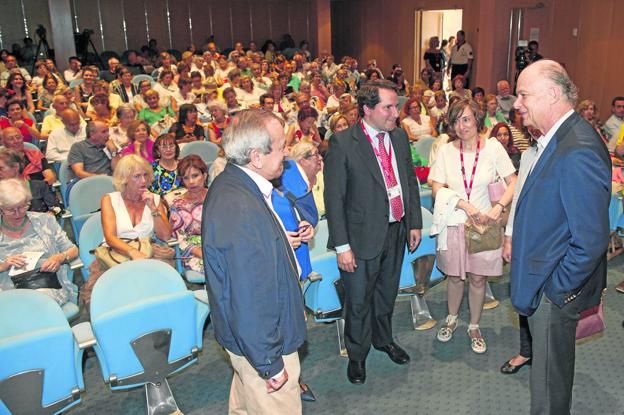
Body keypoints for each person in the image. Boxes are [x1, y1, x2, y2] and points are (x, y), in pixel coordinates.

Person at [511, 60, 610, 415]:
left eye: (524, 94)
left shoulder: (576, 148)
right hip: (544, 281)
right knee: (547, 379)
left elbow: (591, 239)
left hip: (553, 291)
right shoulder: (561, 138)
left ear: (552, 94)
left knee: (550, 390)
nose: (517, 104)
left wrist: (558, 290)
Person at [202, 109, 306, 414]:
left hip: (251, 343)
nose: (286, 152)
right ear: (257, 156)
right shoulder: (240, 206)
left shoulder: (235, 185)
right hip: (263, 345)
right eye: (280, 146)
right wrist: (269, 363)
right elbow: (249, 296)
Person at [324, 80, 422, 384]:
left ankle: (384, 340)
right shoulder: (342, 143)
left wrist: (414, 222)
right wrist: (342, 246)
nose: (396, 112)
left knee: (386, 294)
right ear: (367, 110)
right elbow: (334, 199)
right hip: (360, 237)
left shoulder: (399, 137)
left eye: (396, 105)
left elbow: (408, 180)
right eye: (388, 107)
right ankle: (357, 355)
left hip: (395, 231)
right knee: (358, 300)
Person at [430, 99, 516, 354]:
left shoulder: (492, 148)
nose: (461, 126)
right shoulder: (446, 150)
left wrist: (498, 207)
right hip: (455, 222)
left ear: (477, 119)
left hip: (485, 225)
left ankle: (474, 325)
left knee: (478, 279)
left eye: (466, 119)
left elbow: (513, 181)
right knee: (455, 277)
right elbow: (436, 188)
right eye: (456, 120)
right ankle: (452, 318)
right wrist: (464, 205)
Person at [81, 154, 172, 307]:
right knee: (110, 296)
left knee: (156, 291)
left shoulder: (155, 199)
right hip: (116, 253)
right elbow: (110, 237)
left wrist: (153, 209)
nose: (143, 181)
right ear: (124, 179)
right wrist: (132, 252)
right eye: (136, 176)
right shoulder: (109, 199)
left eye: (145, 175)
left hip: (148, 252)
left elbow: (166, 236)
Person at [0, 179, 79, 306]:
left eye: (22, 206)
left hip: (46, 284)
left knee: (38, 302)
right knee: (16, 306)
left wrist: (59, 258)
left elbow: (73, 250)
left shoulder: (45, 220)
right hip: (8, 289)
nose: (17, 213)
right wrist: (4, 265)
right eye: (10, 210)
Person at [500, 134, 537, 375]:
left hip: (554, 241)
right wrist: (510, 236)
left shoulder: (567, 149)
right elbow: (519, 198)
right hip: (526, 236)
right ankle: (526, 351)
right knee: (525, 297)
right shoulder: (528, 154)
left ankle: (545, 355)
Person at [169, 155, 208, 274]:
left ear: (204, 175)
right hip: (193, 253)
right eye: (186, 178)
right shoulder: (178, 205)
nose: (191, 182)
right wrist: (199, 252)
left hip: (220, 246)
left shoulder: (217, 197)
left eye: (195, 176)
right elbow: (179, 239)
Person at [0, 148, 61, 214]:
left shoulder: (40, 186)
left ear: (16, 167)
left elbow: (57, 208)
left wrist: (49, 215)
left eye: (1, 168)